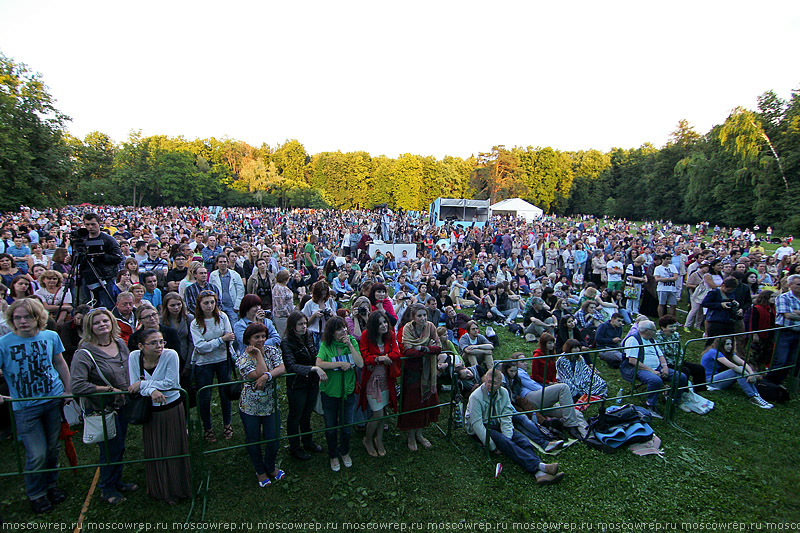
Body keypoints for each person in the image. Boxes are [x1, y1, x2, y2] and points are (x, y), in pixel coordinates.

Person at [0, 299, 71, 513]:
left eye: (27, 317)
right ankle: (36, 494)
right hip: (25, 406)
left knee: (52, 448)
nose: (22, 321)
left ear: (38, 318)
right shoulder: (4, 343)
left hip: (52, 399)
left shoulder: (51, 336)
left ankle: (51, 485)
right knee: (37, 453)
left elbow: (59, 362)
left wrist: (67, 390)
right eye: (17, 318)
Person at [70, 308, 135, 505]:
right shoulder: (84, 353)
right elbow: (77, 385)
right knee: (109, 449)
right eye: (97, 323)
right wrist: (106, 389)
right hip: (101, 409)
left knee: (119, 446)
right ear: (90, 327)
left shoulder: (119, 344)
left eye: (105, 321)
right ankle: (107, 488)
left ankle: (117, 480)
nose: (102, 325)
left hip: (122, 404)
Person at [465, 368, 564, 485]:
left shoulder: (503, 392)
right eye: (488, 381)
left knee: (522, 440)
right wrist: (492, 446)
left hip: (496, 422)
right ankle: (540, 466)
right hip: (481, 427)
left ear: (500, 384)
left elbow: (506, 416)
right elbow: (477, 424)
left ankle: (539, 474)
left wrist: (508, 435)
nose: (490, 385)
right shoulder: (476, 397)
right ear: (485, 380)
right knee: (506, 443)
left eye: (494, 383)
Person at [128, 328, 191, 503]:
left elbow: (171, 383)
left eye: (161, 341)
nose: (159, 346)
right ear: (141, 346)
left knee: (172, 448)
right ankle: (159, 488)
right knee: (155, 450)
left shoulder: (170, 355)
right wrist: (152, 389)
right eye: (153, 343)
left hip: (171, 409)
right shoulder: (134, 357)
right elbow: (133, 383)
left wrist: (143, 385)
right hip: (150, 411)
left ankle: (177, 489)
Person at [235, 323, 287, 487]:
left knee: (273, 438)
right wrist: (258, 356)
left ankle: (270, 466)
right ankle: (260, 471)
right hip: (250, 407)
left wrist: (267, 377)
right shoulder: (242, 358)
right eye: (256, 337)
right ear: (248, 339)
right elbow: (257, 373)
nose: (261, 340)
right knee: (254, 440)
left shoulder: (272, 350)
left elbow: (282, 367)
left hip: (270, 404)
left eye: (263, 336)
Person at [316, 317, 363, 471]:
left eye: (344, 327)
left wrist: (350, 345)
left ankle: (345, 451)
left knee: (347, 426)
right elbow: (319, 363)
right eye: (339, 329)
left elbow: (360, 363)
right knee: (331, 427)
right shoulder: (326, 345)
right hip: (330, 392)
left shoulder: (351, 342)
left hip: (347, 392)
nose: (343, 330)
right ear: (332, 332)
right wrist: (339, 364)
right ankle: (333, 455)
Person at [281, 311, 327, 461]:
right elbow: (291, 365)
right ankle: (294, 447)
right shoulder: (287, 341)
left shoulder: (308, 336)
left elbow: (313, 354)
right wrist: (312, 369)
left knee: (307, 413)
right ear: (292, 326)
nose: (304, 327)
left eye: (305, 324)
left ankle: (308, 441)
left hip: (311, 382)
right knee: (296, 415)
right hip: (297, 384)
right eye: (300, 324)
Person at [190, 290, 235, 443]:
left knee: (225, 393)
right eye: (206, 303)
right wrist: (221, 340)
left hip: (223, 359)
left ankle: (227, 424)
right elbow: (201, 347)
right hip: (204, 363)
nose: (209, 306)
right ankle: (207, 428)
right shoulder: (195, 323)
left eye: (212, 302)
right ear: (200, 305)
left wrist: (218, 342)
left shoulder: (222, 317)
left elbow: (230, 336)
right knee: (205, 396)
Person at [620, 320, 687, 419]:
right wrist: (651, 371)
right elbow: (633, 361)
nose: (656, 332)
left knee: (681, 377)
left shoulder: (652, 339)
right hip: (638, 369)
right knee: (655, 380)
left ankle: (672, 399)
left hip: (657, 367)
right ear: (646, 330)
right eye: (654, 330)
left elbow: (660, 355)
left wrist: (665, 367)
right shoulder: (633, 340)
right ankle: (651, 405)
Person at [398, 304, 442, 451]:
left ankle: (420, 433)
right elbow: (408, 351)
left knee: (425, 402)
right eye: (420, 316)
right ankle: (411, 435)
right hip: (413, 371)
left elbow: (438, 348)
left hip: (428, 372)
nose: (423, 318)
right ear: (413, 317)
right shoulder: (407, 329)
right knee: (413, 404)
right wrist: (428, 348)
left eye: (425, 315)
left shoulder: (431, 327)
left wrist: (421, 348)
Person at [358, 311, 401, 457]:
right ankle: (368, 439)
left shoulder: (390, 335)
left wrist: (380, 358)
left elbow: (396, 353)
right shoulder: (366, 336)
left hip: (386, 378)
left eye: (385, 322)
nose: (383, 326)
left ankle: (379, 439)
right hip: (372, 380)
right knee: (378, 412)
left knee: (383, 412)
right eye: (380, 323)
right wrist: (380, 359)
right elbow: (365, 356)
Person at [701, 337, 772, 409]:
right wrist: (748, 375)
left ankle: (756, 395)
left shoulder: (726, 352)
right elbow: (733, 366)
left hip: (717, 378)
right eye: (727, 344)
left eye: (731, 344)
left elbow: (742, 362)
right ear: (721, 345)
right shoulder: (714, 352)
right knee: (739, 370)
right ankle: (752, 396)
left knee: (741, 370)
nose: (730, 346)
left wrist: (751, 374)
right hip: (709, 381)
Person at [75, 213, 124, 310]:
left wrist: (100, 256)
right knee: (86, 305)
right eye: (87, 225)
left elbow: (118, 257)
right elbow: (78, 259)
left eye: (93, 224)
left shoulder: (108, 240)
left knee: (108, 305)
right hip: (86, 275)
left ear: (99, 224)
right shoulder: (82, 240)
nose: (90, 227)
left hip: (105, 276)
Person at [654, 314, 707, 391]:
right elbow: (661, 354)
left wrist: (679, 361)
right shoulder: (658, 337)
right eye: (671, 327)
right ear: (663, 327)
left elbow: (680, 350)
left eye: (674, 326)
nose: (674, 329)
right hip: (667, 363)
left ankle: (698, 391)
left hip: (677, 360)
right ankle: (682, 392)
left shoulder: (675, 335)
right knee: (685, 371)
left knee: (699, 368)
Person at [769, 274, 800, 384]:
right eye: (798, 284)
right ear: (790, 285)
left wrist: (795, 312)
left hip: (798, 332)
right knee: (781, 359)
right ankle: (770, 382)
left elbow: (792, 314)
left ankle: (780, 382)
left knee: (792, 360)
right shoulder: (783, 297)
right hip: (784, 331)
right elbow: (788, 315)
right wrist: (792, 313)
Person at [209, 254, 245, 329]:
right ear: (217, 263)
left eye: (224, 262)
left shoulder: (235, 275)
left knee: (234, 326)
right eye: (220, 262)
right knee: (220, 327)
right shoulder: (213, 275)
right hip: (219, 306)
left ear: (228, 263)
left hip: (232, 306)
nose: (223, 264)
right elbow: (211, 290)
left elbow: (240, 290)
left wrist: (237, 305)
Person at [303, 280, 337, 351]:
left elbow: (335, 319)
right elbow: (305, 323)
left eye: (325, 294)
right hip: (314, 333)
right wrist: (314, 316)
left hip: (327, 332)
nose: (323, 296)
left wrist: (331, 315)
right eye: (321, 294)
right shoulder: (309, 304)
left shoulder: (330, 301)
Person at [654, 252, 680, 318]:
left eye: (670, 259)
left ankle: (672, 318)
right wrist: (669, 279)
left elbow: (676, 277)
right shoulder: (658, 268)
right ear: (663, 259)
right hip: (662, 288)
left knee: (673, 305)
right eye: (667, 259)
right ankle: (661, 318)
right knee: (662, 304)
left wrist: (664, 279)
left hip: (672, 288)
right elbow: (657, 278)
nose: (669, 261)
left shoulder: (672, 267)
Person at [271, 269, 295, 338]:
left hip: (288, 316)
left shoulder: (283, 287)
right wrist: (289, 315)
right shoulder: (278, 289)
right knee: (284, 337)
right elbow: (280, 306)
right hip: (282, 317)